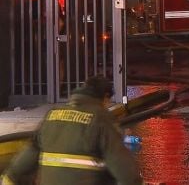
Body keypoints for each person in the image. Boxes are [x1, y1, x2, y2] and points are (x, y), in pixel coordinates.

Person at [0, 76, 143, 185]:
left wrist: (9, 178)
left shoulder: (52, 115)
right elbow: (126, 172)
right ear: (105, 97)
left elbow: (22, 163)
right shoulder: (101, 118)